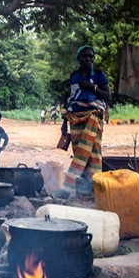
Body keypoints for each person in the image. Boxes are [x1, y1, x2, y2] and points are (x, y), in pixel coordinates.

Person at [60, 45, 111, 192]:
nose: (88, 59)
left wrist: (91, 87)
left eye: (91, 57)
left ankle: (95, 187)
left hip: (93, 116)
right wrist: (64, 122)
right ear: (79, 58)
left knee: (93, 152)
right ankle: (81, 188)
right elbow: (71, 98)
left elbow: (108, 96)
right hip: (75, 118)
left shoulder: (99, 75)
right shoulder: (74, 76)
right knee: (79, 152)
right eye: (85, 56)